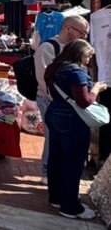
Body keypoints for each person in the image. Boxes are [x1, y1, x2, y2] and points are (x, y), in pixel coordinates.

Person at [44, 39, 107, 220]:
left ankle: (56, 197)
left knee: (56, 158)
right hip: (72, 120)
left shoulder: (55, 67)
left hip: (54, 114)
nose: (89, 60)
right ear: (79, 53)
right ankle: (70, 206)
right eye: (88, 56)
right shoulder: (75, 71)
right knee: (73, 163)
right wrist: (96, 88)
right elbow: (84, 101)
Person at [33, 15, 90, 185]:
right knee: (52, 135)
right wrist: (55, 99)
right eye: (82, 33)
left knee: (59, 137)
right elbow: (43, 78)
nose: (84, 37)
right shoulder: (48, 47)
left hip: (67, 103)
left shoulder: (75, 48)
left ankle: (56, 172)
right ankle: (47, 172)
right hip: (50, 100)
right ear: (69, 29)